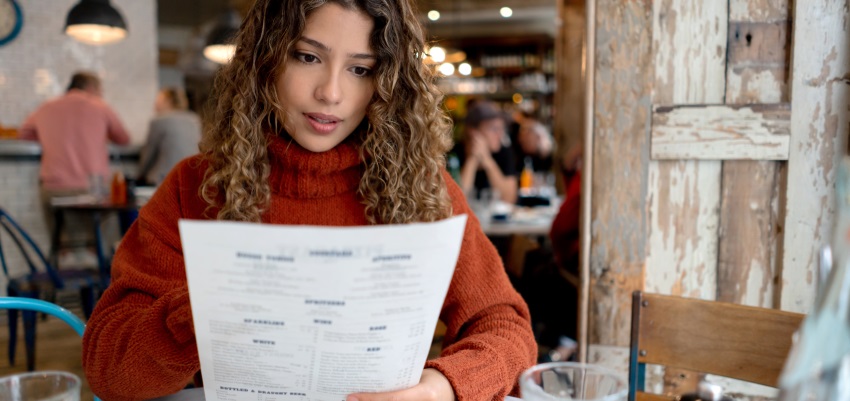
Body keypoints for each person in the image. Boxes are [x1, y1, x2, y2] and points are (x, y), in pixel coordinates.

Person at [81, 1, 537, 401]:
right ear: (266, 59)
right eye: (307, 56)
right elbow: (107, 368)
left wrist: (444, 386)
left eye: (360, 69)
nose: (331, 93)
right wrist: (204, 307)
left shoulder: (422, 187)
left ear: (387, 82)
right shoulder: (195, 186)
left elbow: (506, 327)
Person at [18, 71, 130, 236]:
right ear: (91, 88)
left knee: (62, 241)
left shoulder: (46, 107)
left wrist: (50, 136)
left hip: (53, 189)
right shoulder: (100, 106)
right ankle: (97, 257)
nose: (101, 94)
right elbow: (123, 139)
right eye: (100, 90)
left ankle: (62, 257)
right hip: (92, 190)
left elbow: (23, 135)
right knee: (99, 239)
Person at [137, 87, 202, 186]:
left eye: (158, 100)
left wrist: (139, 175)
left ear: (167, 101)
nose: (155, 105)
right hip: (191, 178)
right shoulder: (194, 119)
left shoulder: (159, 121)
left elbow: (148, 156)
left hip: (164, 179)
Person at [457, 101, 518, 204]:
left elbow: (509, 198)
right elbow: (457, 201)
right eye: (493, 129)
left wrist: (487, 160)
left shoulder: (505, 153)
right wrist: (472, 159)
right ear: (473, 131)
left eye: (502, 128)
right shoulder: (454, 154)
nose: (500, 134)